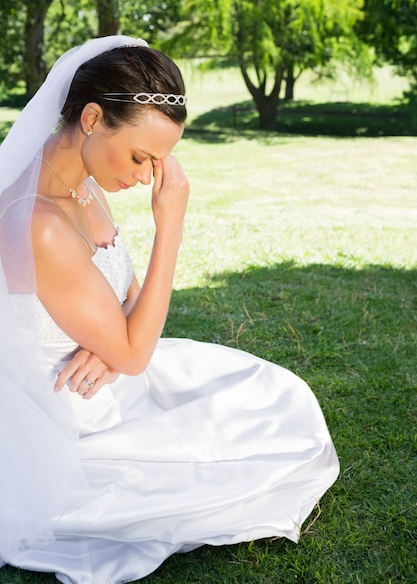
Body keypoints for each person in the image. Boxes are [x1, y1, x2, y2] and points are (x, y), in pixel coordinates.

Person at [0, 35, 339, 584]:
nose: (143, 177)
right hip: (75, 416)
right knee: (263, 443)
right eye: (140, 157)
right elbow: (135, 342)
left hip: (111, 374)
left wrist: (114, 353)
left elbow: (132, 302)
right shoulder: (37, 220)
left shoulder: (81, 183)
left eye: (157, 163)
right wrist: (170, 226)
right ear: (92, 118)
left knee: (277, 396)